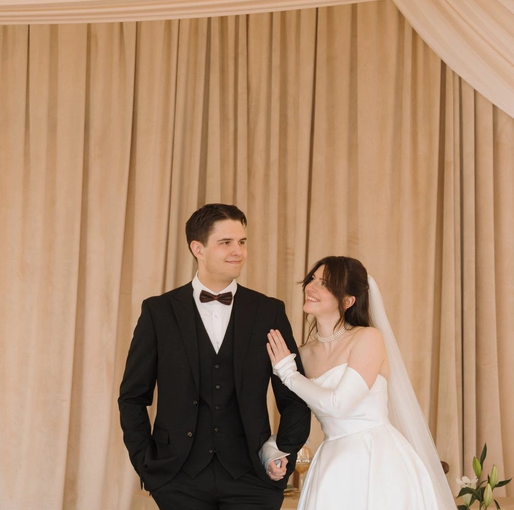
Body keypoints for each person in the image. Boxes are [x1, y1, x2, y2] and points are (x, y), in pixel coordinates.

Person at [119, 203, 312, 510]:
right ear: (198, 248)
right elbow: (132, 396)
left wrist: (282, 453)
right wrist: (146, 464)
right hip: (177, 478)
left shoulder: (268, 312)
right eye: (226, 242)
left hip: (253, 478)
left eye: (242, 242)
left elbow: (295, 396)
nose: (239, 251)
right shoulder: (158, 312)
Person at [264, 256, 456, 510]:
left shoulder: (368, 338)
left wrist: (288, 374)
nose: (311, 287)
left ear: (348, 301)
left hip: (377, 458)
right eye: (312, 279)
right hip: (331, 464)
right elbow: (295, 415)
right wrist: (271, 450)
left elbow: (339, 405)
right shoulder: (303, 355)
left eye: (324, 283)